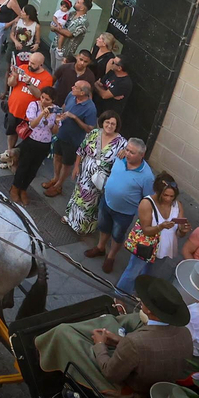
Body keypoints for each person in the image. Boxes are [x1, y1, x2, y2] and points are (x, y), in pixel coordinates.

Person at [32, 276, 194, 398]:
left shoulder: (136, 342)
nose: (139, 298)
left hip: (125, 392)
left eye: (143, 299)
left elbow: (110, 372)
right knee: (109, 323)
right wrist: (118, 341)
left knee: (64, 333)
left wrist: (100, 344)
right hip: (153, 389)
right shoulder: (185, 335)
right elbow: (148, 355)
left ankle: (43, 355)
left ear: (149, 309)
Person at [85, 138, 156, 275]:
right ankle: (100, 248)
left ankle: (111, 256)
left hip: (124, 212)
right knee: (103, 227)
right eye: (127, 149)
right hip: (107, 201)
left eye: (132, 152)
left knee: (117, 235)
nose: (127, 153)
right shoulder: (120, 157)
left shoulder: (147, 176)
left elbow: (148, 199)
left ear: (142, 155)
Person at [114, 174, 187, 294]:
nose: (168, 199)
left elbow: (179, 233)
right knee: (132, 273)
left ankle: (140, 294)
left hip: (165, 248)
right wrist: (160, 227)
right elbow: (146, 230)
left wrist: (182, 230)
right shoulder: (147, 203)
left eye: (172, 196)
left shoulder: (177, 205)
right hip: (146, 246)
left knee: (149, 275)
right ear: (158, 191)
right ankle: (119, 295)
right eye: (165, 195)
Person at [65, 110, 126, 235]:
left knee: (90, 203)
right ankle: (71, 218)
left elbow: (133, 154)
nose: (109, 126)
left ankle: (82, 226)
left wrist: (126, 152)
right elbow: (80, 150)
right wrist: (76, 166)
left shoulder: (122, 143)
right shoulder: (93, 134)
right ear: (102, 122)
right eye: (107, 122)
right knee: (77, 196)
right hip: (85, 173)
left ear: (116, 126)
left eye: (113, 124)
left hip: (100, 178)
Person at [43, 79, 98, 196]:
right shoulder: (71, 96)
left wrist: (74, 118)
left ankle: (59, 185)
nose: (72, 87)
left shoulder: (90, 108)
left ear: (83, 93)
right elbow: (64, 107)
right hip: (61, 134)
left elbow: (89, 128)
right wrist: (58, 115)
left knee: (66, 163)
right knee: (57, 156)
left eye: (76, 87)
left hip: (73, 141)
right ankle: (55, 178)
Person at [0, 52, 53, 171]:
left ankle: (18, 159)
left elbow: (40, 95)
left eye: (33, 64)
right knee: (11, 132)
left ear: (41, 64)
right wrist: (13, 76)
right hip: (14, 108)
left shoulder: (47, 78)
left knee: (26, 138)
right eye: (29, 62)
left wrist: (29, 83)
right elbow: (11, 84)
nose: (29, 65)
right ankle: (10, 154)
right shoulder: (23, 68)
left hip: (29, 115)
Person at [11, 87, 62, 206]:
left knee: (33, 169)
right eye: (42, 97)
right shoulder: (34, 105)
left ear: (52, 100)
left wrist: (56, 121)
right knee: (23, 165)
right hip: (31, 140)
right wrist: (43, 114)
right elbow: (32, 124)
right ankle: (15, 187)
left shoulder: (55, 110)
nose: (44, 101)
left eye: (47, 99)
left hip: (44, 144)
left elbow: (54, 131)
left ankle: (24, 189)